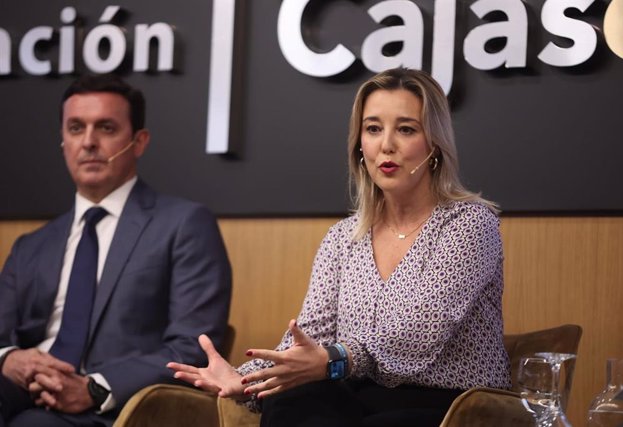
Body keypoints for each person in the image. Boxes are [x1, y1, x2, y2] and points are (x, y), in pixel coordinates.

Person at [168, 68, 510, 427]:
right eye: (373, 129)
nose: (386, 145)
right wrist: (247, 378)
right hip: (357, 397)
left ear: (435, 144)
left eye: (406, 129)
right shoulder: (343, 237)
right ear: (359, 143)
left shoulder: (469, 223)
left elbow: (420, 331)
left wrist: (335, 359)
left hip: (451, 406)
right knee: (291, 402)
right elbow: (310, 337)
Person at [0, 74, 232, 427]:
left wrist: (94, 388)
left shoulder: (184, 225)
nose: (89, 142)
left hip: (116, 409)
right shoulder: (32, 245)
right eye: (76, 128)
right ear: (63, 141)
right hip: (20, 390)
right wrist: (9, 359)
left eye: (106, 128)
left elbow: (192, 346)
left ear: (138, 142)